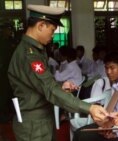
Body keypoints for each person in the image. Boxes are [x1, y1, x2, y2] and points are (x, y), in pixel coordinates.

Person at [7, 4, 108, 141]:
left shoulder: (36, 50)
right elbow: (49, 88)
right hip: (34, 125)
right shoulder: (29, 55)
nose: (53, 35)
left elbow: (40, 83)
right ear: (41, 25)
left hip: (41, 120)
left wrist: (60, 85)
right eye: (52, 30)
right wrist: (89, 108)